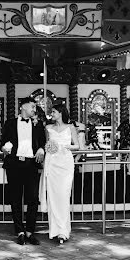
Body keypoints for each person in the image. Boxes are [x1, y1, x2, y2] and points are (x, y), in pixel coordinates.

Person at [1, 96, 45, 245]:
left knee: (33, 198)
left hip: (31, 165)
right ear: (23, 107)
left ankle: (30, 231)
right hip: (14, 164)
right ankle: (19, 231)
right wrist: (4, 148)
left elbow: (43, 142)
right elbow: (2, 143)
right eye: (32, 106)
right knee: (15, 198)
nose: (34, 109)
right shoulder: (10, 123)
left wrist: (41, 149)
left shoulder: (37, 124)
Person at [39, 102, 79, 245]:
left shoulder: (70, 127)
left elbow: (78, 146)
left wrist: (64, 146)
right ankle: (55, 230)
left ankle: (64, 230)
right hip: (52, 164)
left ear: (61, 113)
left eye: (54, 112)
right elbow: (46, 144)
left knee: (63, 195)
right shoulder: (48, 128)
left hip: (65, 164)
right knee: (53, 197)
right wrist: (47, 148)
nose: (52, 114)